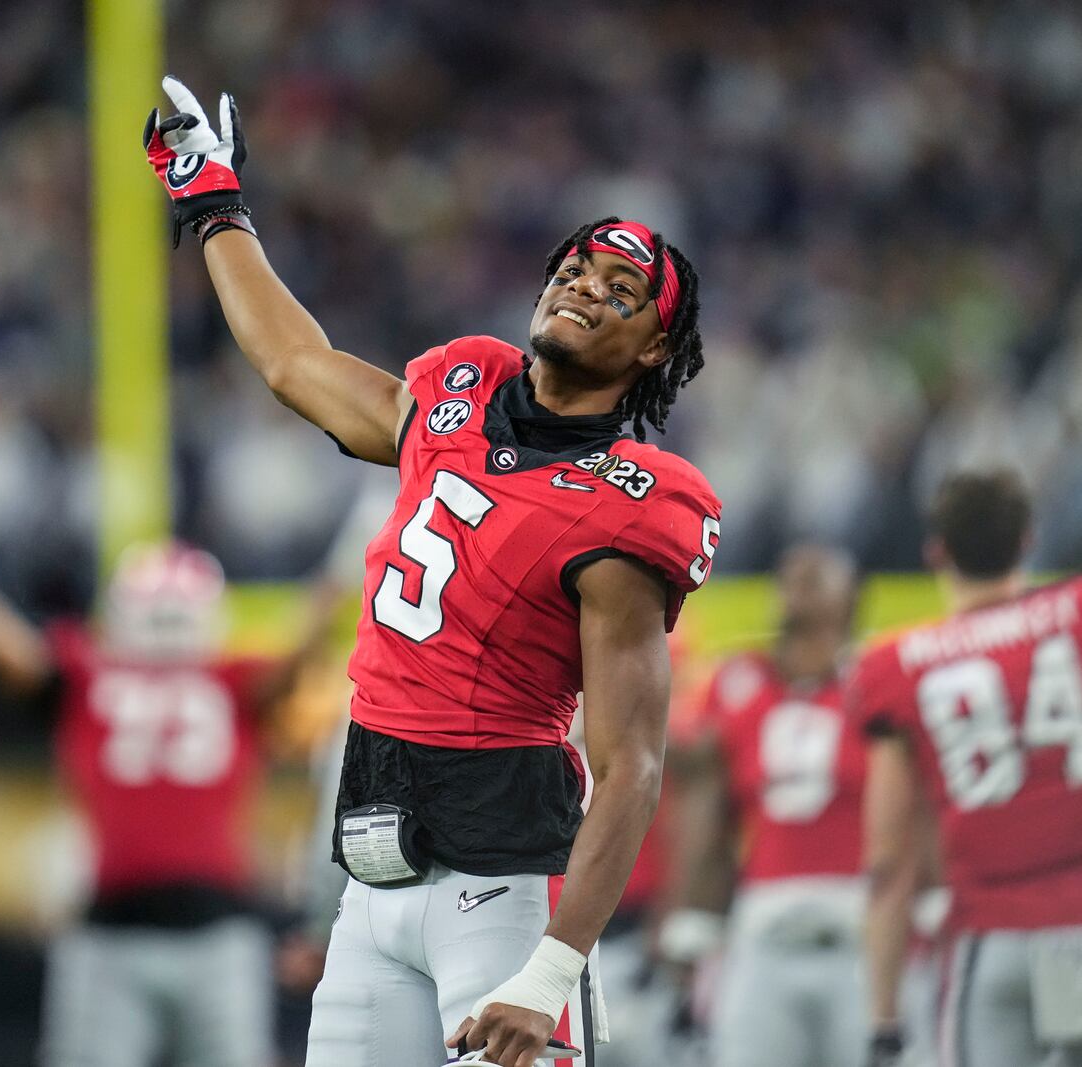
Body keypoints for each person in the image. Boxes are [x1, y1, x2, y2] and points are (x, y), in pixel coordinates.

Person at [143, 76, 722, 1067]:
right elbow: (295, 363)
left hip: (503, 883)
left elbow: (633, 765)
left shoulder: (634, 498)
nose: (586, 288)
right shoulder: (460, 389)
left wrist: (548, 972)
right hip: (374, 882)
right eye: (578, 270)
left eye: (619, 293)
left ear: (652, 346)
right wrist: (212, 201)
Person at [0, 481, 334, 1067]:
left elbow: (6, 650)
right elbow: (304, 645)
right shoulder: (227, 679)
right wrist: (349, 562)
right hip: (190, 932)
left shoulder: (96, 674)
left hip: (137, 932)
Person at [853, 469, 1082, 1067]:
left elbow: (888, 859)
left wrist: (884, 1013)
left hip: (995, 934)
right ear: (1028, 540)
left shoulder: (897, 664)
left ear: (938, 552)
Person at [665, 545, 867, 1067]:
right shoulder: (741, 682)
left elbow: (908, 808)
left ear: (850, 599)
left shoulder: (872, 685)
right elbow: (708, 809)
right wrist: (693, 911)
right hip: (763, 926)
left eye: (818, 573)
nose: (799, 580)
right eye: (792, 575)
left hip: (860, 928)